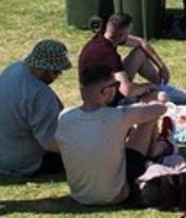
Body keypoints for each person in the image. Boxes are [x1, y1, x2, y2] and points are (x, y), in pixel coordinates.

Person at [56, 65, 168, 206]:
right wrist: (155, 100)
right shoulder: (117, 116)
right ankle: (152, 155)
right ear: (107, 91)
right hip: (116, 195)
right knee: (148, 119)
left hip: (80, 196)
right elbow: (159, 109)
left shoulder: (65, 116)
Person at [0, 39, 71, 177]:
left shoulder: (13, 68)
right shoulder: (41, 95)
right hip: (20, 164)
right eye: (57, 71)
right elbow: (50, 143)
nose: (59, 75)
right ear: (44, 68)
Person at [78, 13, 170, 103]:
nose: (129, 35)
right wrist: (149, 86)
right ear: (122, 35)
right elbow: (127, 90)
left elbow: (141, 43)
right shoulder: (109, 55)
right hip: (102, 98)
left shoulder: (104, 36)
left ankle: (161, 85)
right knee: (161, 97)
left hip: (95, 88)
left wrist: (162, 67)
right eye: (128, 32)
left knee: (140, 53)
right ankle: (158, 88)